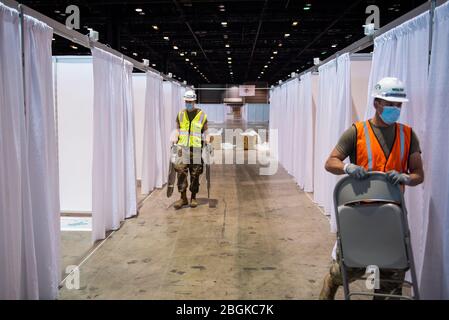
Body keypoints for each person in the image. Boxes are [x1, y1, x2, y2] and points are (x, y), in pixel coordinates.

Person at [318, 77, 425, 300]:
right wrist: (348, 167)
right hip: (359, 216)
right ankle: (329, 288)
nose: (395, 109)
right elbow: (330, 162)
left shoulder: (408, 135)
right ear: (377, 103)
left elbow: (418, 175)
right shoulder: (356, 132)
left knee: (392, 274)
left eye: (398, 105)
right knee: (344, 271)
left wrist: (406, 177)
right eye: (390, 104)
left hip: (392, 218)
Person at [172, 90, 213, 209]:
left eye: (190, 101)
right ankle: (183, 198)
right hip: (182, 147)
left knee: (195, 173)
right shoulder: (180, 114)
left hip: (196, 148)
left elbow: (205, 130)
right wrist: (175, 136)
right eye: (186, 101)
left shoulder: (202, 115)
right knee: (181, 172)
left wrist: (208, 139)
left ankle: (193, 197)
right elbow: (177, 129)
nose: (188, 103)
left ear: (194, 101)